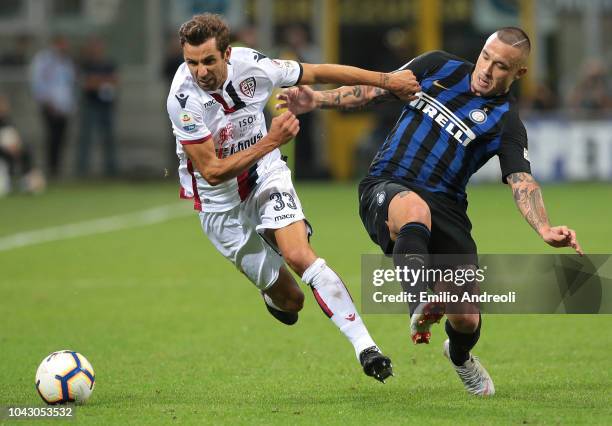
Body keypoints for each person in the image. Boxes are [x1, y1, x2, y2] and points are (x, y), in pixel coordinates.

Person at [277, 27, 583, 396]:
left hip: (448, 207)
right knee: (413, 210)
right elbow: (378, 89)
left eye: (501, 66)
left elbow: (521, 180)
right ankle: (419, 300)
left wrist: (544, 228)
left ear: (519, 73)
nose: (487, 69)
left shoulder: (506, 121)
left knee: (467, 318)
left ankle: (459, 356)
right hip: (386, 185)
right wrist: (317, 100)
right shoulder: (438, 66)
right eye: (486, 56)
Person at [166, 13, 420, 383]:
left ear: (227, 54)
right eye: (192, 62)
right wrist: (272, 139)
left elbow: (318, 71)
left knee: (301, 256)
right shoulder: (182, 99)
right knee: (292, 302)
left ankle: (366, 348)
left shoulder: (253, 66)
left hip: (265, 176)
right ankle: (274, 284)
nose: (200, 71)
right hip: (218, 205)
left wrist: (388, 80)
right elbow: (213, 171)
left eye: (208, 61)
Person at [30, 35, 76, 178]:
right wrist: (47, 102)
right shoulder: (44, 60)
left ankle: (57, 168)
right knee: (53, 138)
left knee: (61, 138)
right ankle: (51, 169)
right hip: (49, 105)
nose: (64, 48)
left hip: (64, 107)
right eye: (62, 44)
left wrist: (70, 105)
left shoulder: (67, 62)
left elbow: (69, 85)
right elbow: (38, 82)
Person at [76, 38, 119, 177]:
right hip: (90, 104)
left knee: (108, 138)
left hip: (106, 105)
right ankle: (82, 170)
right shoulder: (85, 65)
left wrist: (96, 81)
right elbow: (86, 84)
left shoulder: (108, 64)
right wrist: (101, 81)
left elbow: (115, 81)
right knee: (86, 138)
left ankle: (111, 169)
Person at [0, 95, 46, 195]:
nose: (4, 107)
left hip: (9, 153)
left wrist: (16, 146)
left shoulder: (6, 121)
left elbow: (13, 137)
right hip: (3, 154)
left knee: (25, 150)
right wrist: (6, 148)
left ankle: (29, 179)